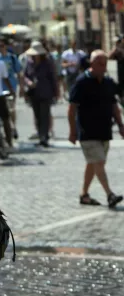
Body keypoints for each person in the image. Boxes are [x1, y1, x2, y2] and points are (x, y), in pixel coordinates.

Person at [68, 50, 124, 208]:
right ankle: (110, 195)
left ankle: (84, 194)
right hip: (87, 131)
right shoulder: (81, 82)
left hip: (104, 130)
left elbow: (114, 106)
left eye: (105, 64)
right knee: (98, 161)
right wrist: (72, 131)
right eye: (100, 64)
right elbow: (72, 109)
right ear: (92, 64)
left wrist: (120, 125)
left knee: (94, 164)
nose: (103, 67)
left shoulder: (107, 82)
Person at [24, 41, 58, 147]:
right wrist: (28, 82)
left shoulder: (47, 63)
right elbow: (25, 75)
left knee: (45, 115)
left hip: (45, 92)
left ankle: (45, 137)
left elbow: (53, 78)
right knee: (37, 115)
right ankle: (40, 136)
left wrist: (56, 92)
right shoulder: (29, 63)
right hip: (33, 93)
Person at [0, 38, 23, 140]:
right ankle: (5, 129)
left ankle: (13, 126)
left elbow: (19, 72)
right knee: (2, 110)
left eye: (2, 45)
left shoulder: (12, 58)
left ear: (6, 46)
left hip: (11, 86)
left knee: (11, 109)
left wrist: (21, 87)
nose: (1, 48)